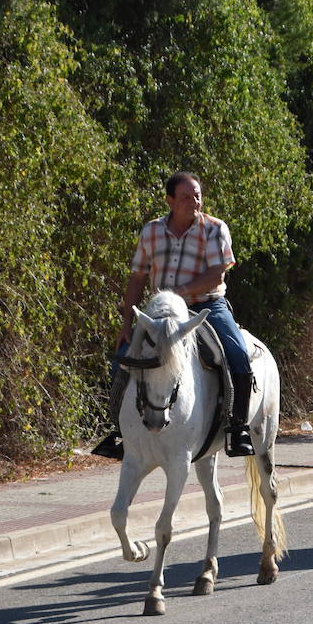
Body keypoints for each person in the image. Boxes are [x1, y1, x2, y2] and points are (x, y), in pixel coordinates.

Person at [95, 171, 255, 458]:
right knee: (123, 357)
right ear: (169, 200)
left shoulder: (215, 229)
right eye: (185, 197)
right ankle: (118, 431)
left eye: (197, 196)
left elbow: (216, 272)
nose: (193, 201)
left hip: (205, 306)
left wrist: (179, 291)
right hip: (163, 313)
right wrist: (127, 323)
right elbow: (137, 277)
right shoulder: (151, 231)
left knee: (237, 354)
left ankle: (238, 428)